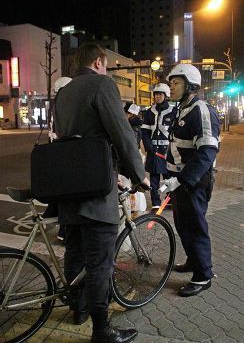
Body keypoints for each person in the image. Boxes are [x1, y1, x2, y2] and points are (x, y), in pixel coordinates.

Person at [53, 42, 150, 343]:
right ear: (98, 62)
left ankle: (78, 309)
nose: (106, 70)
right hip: (96, 189)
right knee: (99, 264)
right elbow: (122, 134)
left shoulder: (64, 92)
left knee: (75, 253)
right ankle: (101, 330)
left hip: (68, 189)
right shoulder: (101, 85)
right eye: (106, 65)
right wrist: (139, 175)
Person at [161, 64, 220, 297]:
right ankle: (194, 261)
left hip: (194, 182)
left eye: (176, 83)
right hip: (179, 181)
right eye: (171, 83)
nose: (171, 87)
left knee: (195, 227)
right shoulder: (181, 109)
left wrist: (183, 180)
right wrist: (169, 178)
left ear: (190, 85)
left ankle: (203, 275)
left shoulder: (201, 110)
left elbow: (206, 151)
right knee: (183, 225)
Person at [43, 76, 73, 242]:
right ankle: (64, 230)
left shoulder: (53, 106)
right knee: (68, 196)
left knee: (62, 194)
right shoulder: (65, 106)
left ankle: (52, 213)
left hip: (55, 155)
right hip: (65, 155)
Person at [141, 83, 174, 212]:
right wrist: (149, 148)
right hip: (154, 151)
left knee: (169, 179)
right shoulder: (150, 112)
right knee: (154, 179)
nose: (157, 97)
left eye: (160, 94)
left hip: (168, 151)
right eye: (156, 94)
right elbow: (145, 132)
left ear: (166, 95)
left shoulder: (173, 112)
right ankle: (155, 202)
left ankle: (169, 198)